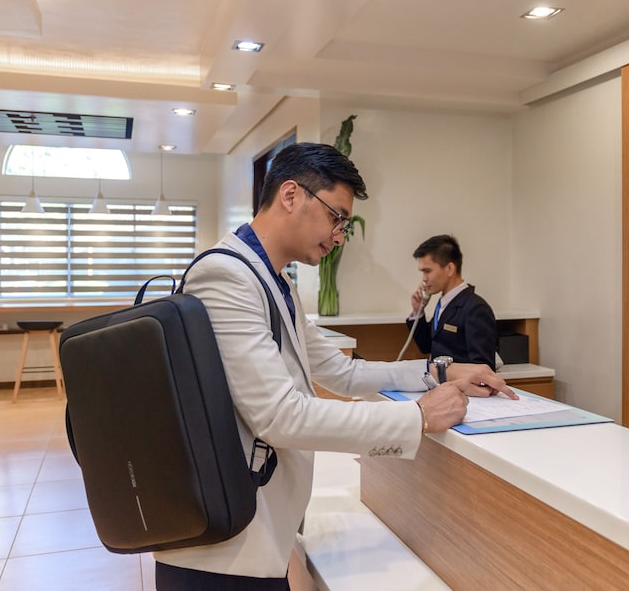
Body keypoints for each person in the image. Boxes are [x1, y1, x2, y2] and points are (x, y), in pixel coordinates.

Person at [155, 143, 516, 589]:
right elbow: (279, 416)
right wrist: (418, 417)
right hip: (221, 552)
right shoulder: (227, 275)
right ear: (291, 195)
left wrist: (439, 372)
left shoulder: (274, 280)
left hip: (257, 529)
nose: (339, 236)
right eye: (336, 217)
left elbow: (342, 372)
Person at [407, 234, 498, 370]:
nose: (424, 279)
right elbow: (427, 345)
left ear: (449, 269)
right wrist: (417, 311)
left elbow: (484, 369)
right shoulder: (444, 303)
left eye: (427, 271)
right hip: (439, 381)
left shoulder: (476, 309)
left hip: (458, 384)